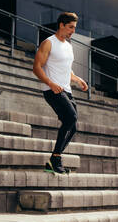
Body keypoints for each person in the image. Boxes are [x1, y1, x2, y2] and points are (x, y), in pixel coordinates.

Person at [32, 12, 88, 173]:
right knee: (71, 118)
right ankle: (56, 158)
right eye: (70, 27)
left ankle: (54, 160)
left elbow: (66, 69)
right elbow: (36, 67)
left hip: (66, 90)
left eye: (75, 28)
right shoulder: (48, 43)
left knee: (73, 126)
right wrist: (50, 83)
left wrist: (77, 79)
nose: (73, 31)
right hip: (52, 90)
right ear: (61, 25)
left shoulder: (68, 46)